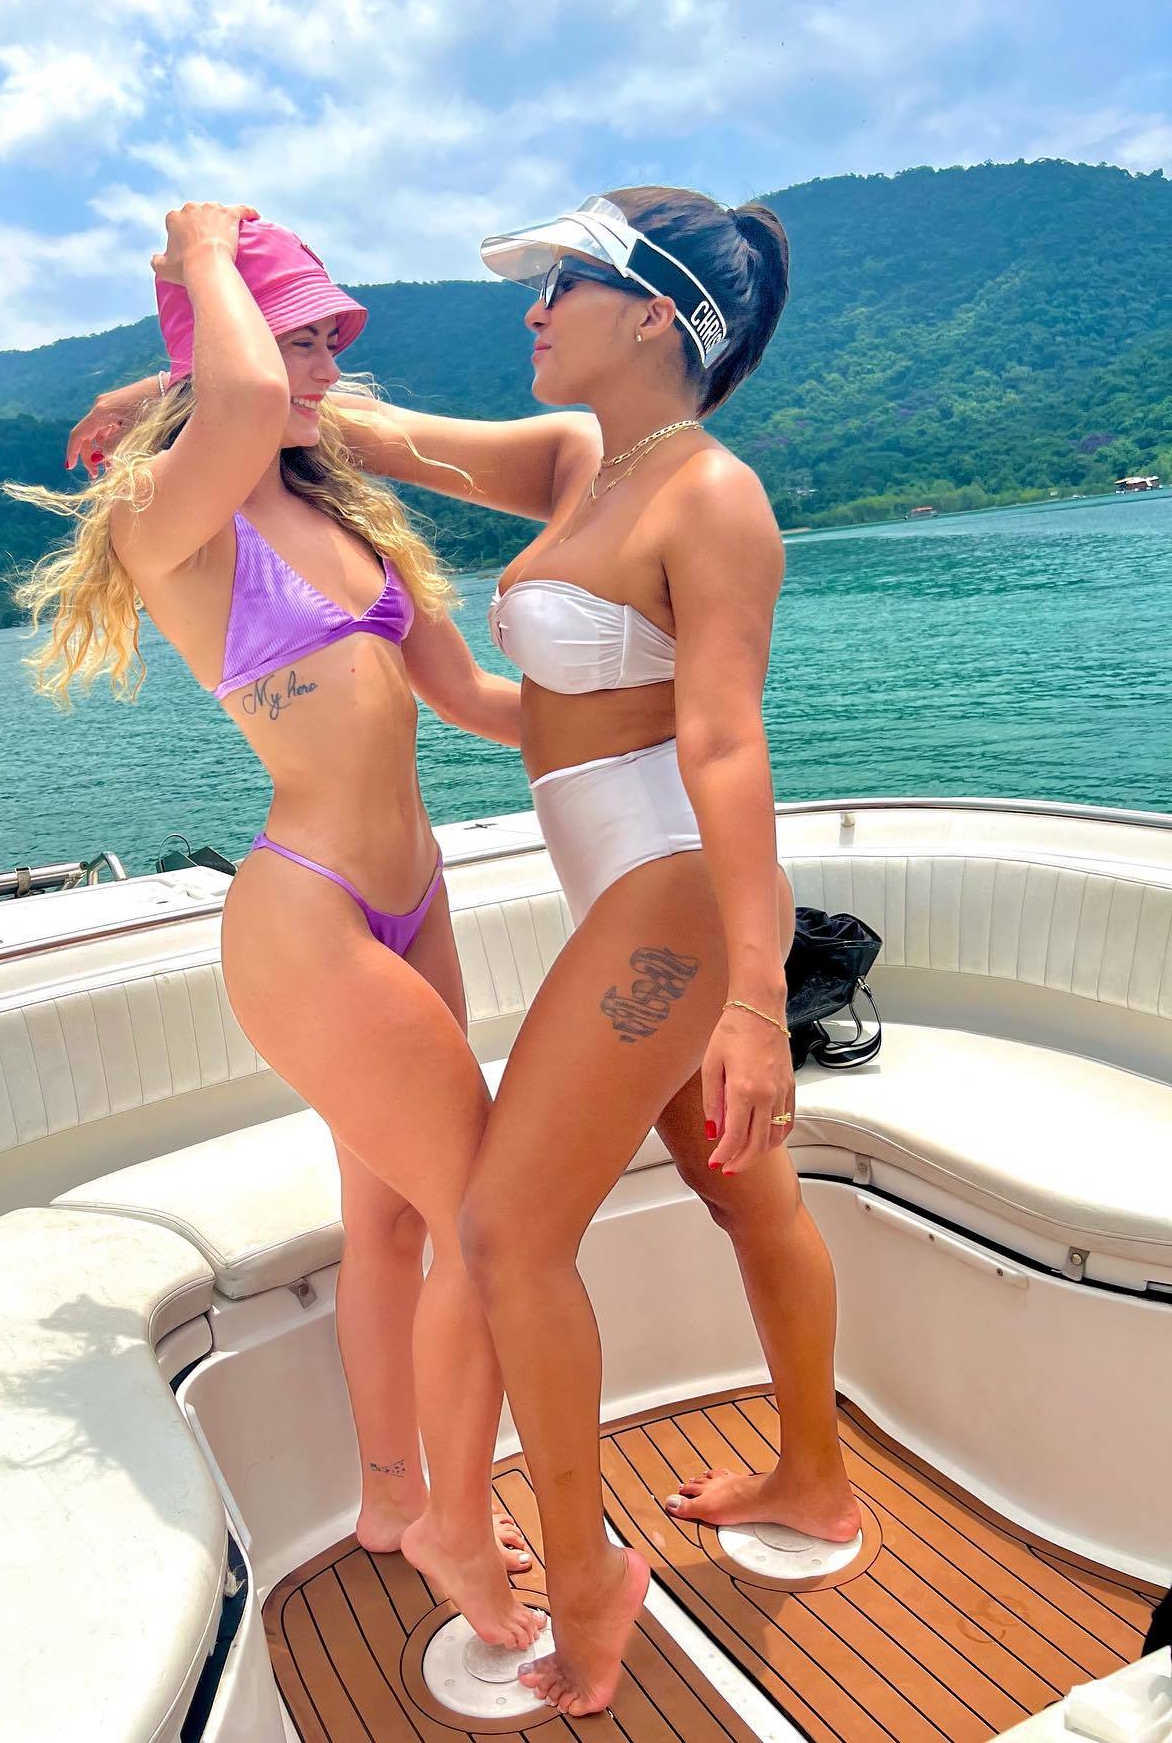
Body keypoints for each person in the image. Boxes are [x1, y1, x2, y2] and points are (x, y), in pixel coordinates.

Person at [320, 187, 861, 1714]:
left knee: (504, 1233)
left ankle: (580, 1584)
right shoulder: (579, 464)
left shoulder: (712, 497)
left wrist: (751, 1001)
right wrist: (199, 388)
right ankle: (815, 1483)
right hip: (623, 893)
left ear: (654, 316)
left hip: (673, 901)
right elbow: (381, 439)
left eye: (562, 284)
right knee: (742, 1191)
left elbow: (722, 744)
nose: (534, 310)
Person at [10, 201, 543, 1652]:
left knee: (393, 1223)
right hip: (310, 917)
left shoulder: (340, 514)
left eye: (327, 340)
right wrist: (196, 254)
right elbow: (239, 398)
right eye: (295, 336)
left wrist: (663, 715)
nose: (319, 367)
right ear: (226, 347)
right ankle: (457, 1516)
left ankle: (391, 1500)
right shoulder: (166, 512)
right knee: (488, 1222)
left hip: (413, 900)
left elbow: (474, 702)